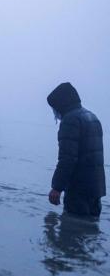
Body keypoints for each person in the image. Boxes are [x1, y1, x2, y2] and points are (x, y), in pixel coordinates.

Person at [47, 82, 105, 218]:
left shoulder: (70, 120)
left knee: (71, 233)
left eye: (54, 108)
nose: (55, 113)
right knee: (90, 231)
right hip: (96, 188)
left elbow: (67, 158)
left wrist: (57, 187)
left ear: (61, 104)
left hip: (78, 189)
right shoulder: (92, 117)